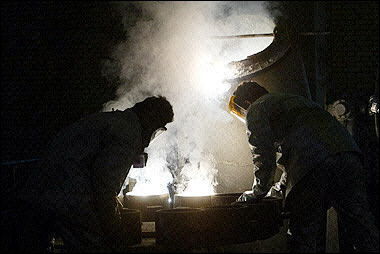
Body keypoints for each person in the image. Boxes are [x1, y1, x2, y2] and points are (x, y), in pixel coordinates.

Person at [1, 96, 174, 253]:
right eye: (159, 128)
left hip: (40, 192)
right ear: (150, 118)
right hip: (67, 194)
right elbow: (104, 187)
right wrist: (113, 227)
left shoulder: (113, 121)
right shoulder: (128, 133)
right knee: (94, 245)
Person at [232, 81, 379, 252]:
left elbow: (263, 156)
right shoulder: (295, 101)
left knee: (303, 233)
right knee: (361, 227)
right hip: (348, 155)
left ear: (246, 103)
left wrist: (258, 192)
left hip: (314, 165)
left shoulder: (256, 108)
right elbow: (297, 157)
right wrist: (279, 188)